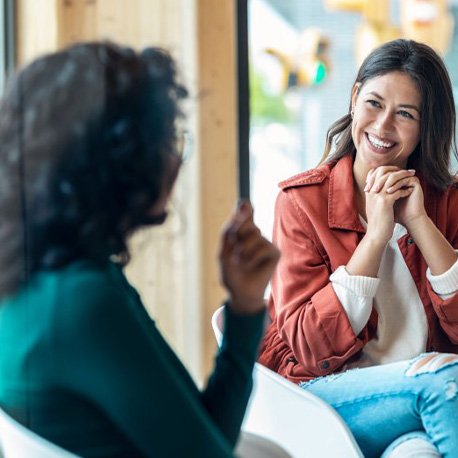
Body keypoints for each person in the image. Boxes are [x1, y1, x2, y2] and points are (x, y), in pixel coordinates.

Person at [0, 42, 282, 457]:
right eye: (169, 141)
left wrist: (244, 305)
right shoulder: (82, 304)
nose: (176, 159)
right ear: (122, 161)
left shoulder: (43, 279)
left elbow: (206, 436)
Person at [258, 38, 458, 457]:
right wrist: (376, 237)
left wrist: (419, 223)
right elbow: (311, 349)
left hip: (417, 401)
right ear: (353, 98)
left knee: (416, 453)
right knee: (448, 384)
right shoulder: (302, 203)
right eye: (374, 103)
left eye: (405, 114)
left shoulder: (448, 203)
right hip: (327, 399)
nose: (383, 126)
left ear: (426, 127)